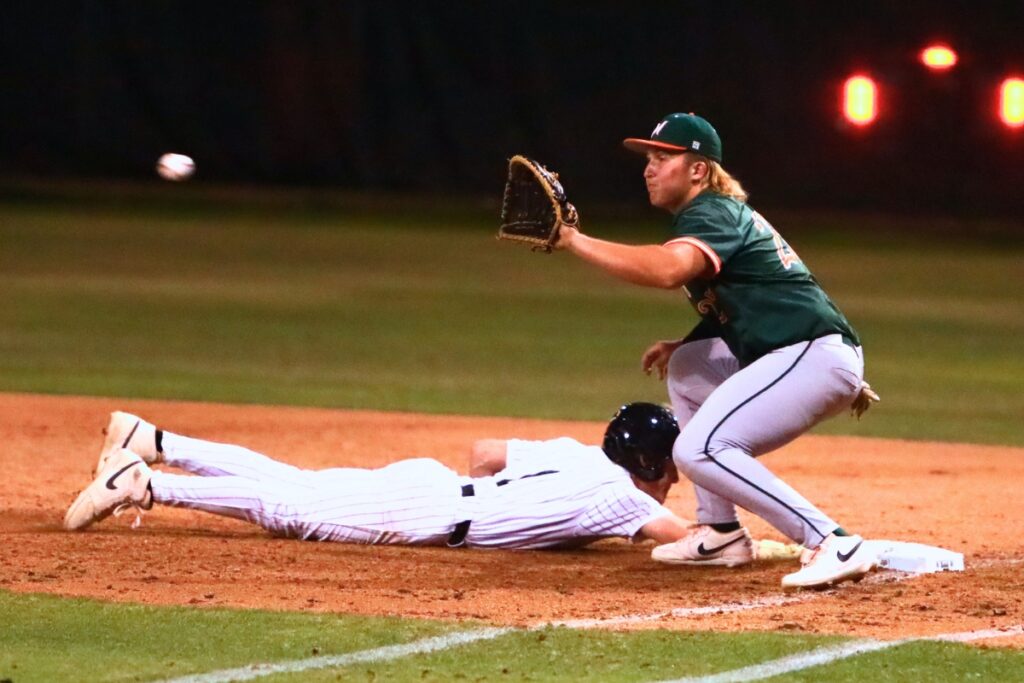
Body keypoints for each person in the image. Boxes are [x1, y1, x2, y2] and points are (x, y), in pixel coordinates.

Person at [553, 113, 879, 589]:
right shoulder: (716, 214)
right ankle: (720, 532)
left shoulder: (712, 212)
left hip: (808, 355)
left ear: (698, 170)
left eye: (663, 158)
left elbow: (668, 269)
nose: (649, 168)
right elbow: (756, 295)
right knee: (688, 365)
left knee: (699, 449)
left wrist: (575, 241)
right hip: (804, 355)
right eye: (648, 158)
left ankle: (832, 541)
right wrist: (684, 342)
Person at [64, 403, 707, 551]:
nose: (673, 481)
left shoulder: (576, 452)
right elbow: (689, 540)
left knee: (294, 483)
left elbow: (485, 451)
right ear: (648, 464)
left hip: (429, 486)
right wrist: (760, 545)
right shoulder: (623, 498)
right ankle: (146, 484)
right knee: (291, 511)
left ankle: (152, 441)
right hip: (425, 514)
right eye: (671, 469)